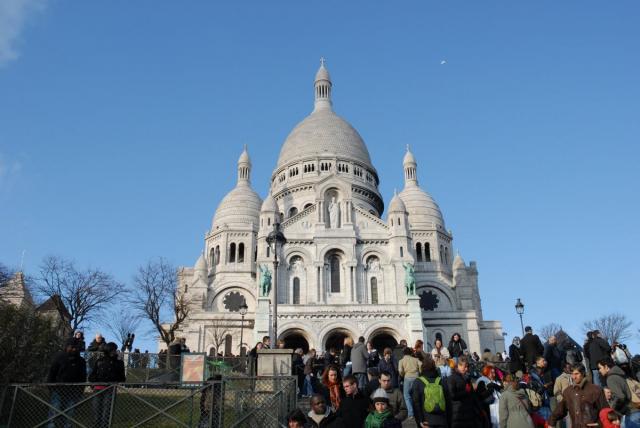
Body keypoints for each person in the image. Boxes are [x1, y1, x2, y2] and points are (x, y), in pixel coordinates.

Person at [547, 363, 608, 428]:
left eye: (576, 374)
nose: (574, 377)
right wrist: (552, 421)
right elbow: (560, 409)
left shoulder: (595, 390)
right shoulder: (568, 391)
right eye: (572, 374)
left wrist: (599, 424)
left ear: (583, 373)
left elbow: (606, 411)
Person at [47, 338, 87, 428]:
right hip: (58, 389)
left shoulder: (81, 361)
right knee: (54, 411)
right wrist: (50, 387)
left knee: (69, 414)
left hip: (73, 392)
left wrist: (80, 391)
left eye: (76, 347)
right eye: (72, 347)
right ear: (67, 347)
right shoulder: (59, 357)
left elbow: (82, 377)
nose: (74, 349)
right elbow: (52, 372)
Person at [88, 342, 126, 428]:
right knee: (96, 413)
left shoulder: (119, 363)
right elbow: (92, 375)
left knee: (106, 414)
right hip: (98, 389)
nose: (115, 352)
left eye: (115, 350)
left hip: (110, 390)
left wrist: (112, 379)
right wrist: (94, 382)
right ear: (109, 350)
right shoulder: (99, 361)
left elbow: (122, 378)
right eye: (113, 350)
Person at [597, 357, 640, 427]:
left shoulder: (611, 378)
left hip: (631, 413)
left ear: (606, 367)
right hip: (637, 408)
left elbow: (620, 397)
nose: (599, 370)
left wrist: (614, 409)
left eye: (600, 368)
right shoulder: (621, 374)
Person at [412, 357, 447, 428]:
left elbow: (416, 403)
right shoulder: (441, 381)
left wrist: (419, 420)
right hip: (441, 419)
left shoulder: (418, 382)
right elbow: (448, 401)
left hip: (426, 421)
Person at [447, 356, 479, 428]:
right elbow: (452, 395)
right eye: (465, 367)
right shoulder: (451, 378)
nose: (466, 369)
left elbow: (472, 395)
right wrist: (466, 392)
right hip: (458, 414)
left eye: (467, 367)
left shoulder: (467, 378)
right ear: (458, 365)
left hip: (469, 414)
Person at [399, 346, 422, 420]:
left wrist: (403, 375)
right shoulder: (416, 359)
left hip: (407, 377)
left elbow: (400, 371)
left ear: (403, 353)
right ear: (410, 352)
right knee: (417, 395)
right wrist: (420, 372)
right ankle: (419, 412)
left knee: (407, 396)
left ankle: (411, 414)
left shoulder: (401, 361)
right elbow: (421, 364)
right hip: (416, 377)